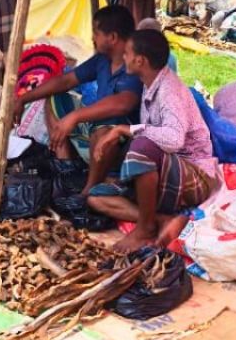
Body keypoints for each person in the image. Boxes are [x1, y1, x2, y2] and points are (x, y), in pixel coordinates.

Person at [87, 29, 219, 252]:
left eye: (127, 53)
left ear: (140, 60)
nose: (124, 57)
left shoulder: (170, 91)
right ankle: (161, 220)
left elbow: (174, 140)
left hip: (197, 176)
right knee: (96, 197)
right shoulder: (151, 84)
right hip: (168, 176)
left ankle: (144, 229)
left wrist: (126, 129)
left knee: (142, 146)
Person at [14, 7, 141, 181]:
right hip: (97, 130)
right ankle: (67, 167)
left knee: (105, 126)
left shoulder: (134, 65)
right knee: (54, 99)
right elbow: (65, 81)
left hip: (126, 140)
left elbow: (123, 104)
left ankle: (90, 189)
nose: (92, 38)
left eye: (96, 33)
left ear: (112, 38)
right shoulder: (102, 60)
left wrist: (75, 116)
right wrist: (23, 99)